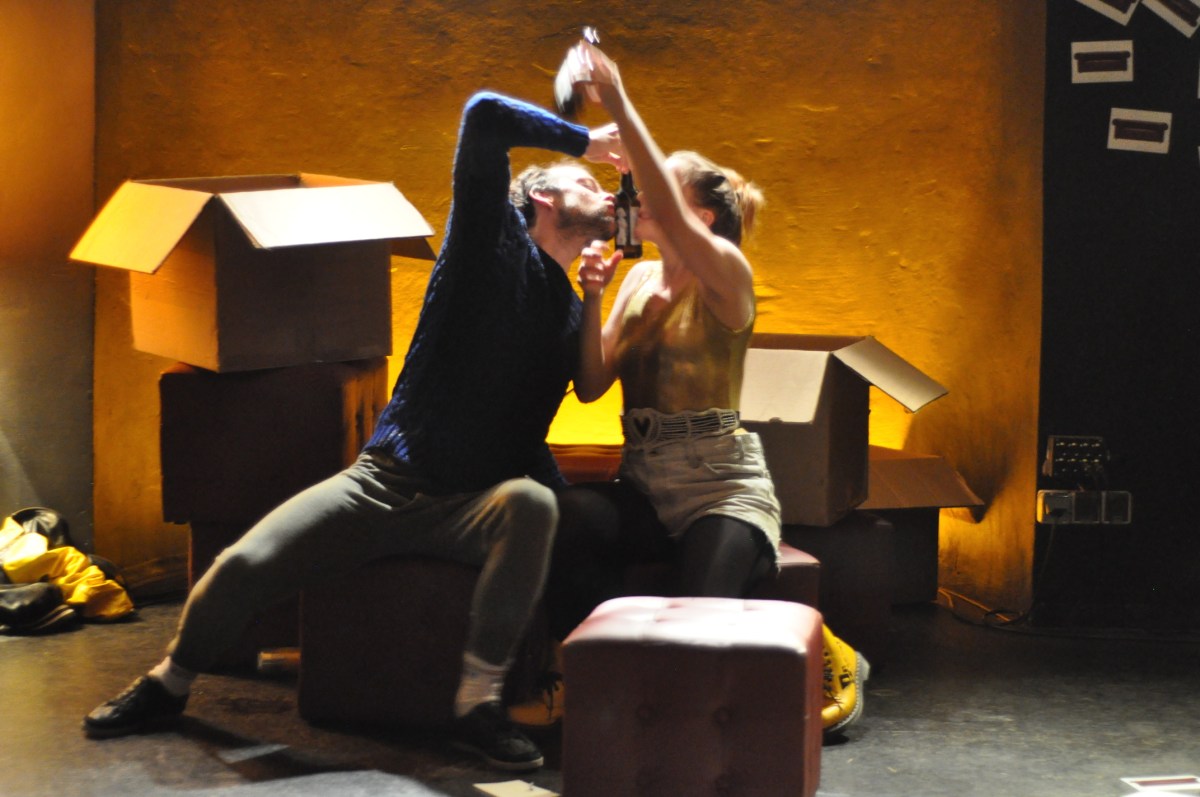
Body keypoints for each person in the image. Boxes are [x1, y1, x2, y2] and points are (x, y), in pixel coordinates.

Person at [83, 90, 624, 772]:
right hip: (385, 484)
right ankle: (168, 683)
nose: (604, 192)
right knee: (244, 564)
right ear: (543, 199)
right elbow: (485, 116)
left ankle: (476, 705)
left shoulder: (569, 308)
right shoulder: (488, 244)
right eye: (586, 183)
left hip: (470, 505)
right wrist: (587, 141)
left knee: (535, 502)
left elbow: (557, 404)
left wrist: (599, 296)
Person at [540, 40, 869, 739]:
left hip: (722, 485)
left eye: (662, 186)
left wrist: (618, 98)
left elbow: (663, 202)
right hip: (644, 479)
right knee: (563, 520)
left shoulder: (727, 275)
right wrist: (591, 297)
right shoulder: (636, 277)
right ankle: (598, 686)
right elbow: (592, 386)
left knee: (698, 614)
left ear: (704, 218)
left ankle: (831, 650)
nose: (639, 194)